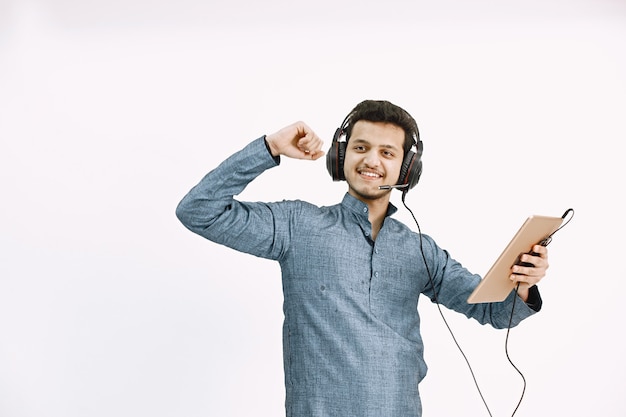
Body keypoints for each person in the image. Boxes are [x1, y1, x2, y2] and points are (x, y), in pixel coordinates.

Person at [175, 100, 549, 417]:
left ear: (406, 169)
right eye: (360, 147)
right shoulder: (296, 225)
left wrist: (523, 284)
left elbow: (494, 311)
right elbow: (199, 211)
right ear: (341, 155)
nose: (371, 160)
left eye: (387, 153)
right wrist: (270, 147)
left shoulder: (421, 250)